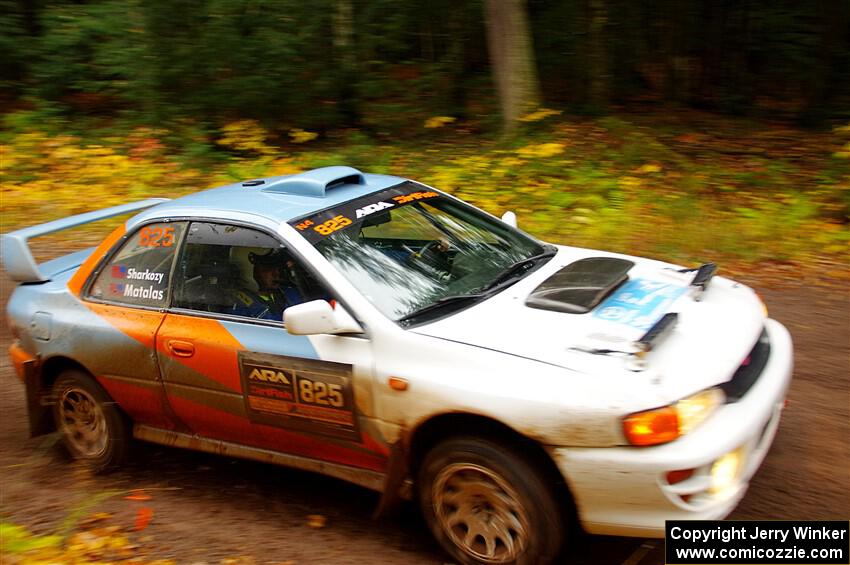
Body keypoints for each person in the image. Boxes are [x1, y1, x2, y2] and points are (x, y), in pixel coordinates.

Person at [232, 250, 303, 320]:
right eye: (267, 269)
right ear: (251, 272)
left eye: (277, 269)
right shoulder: (236, 306)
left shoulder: (291, 293)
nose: (276, 275)